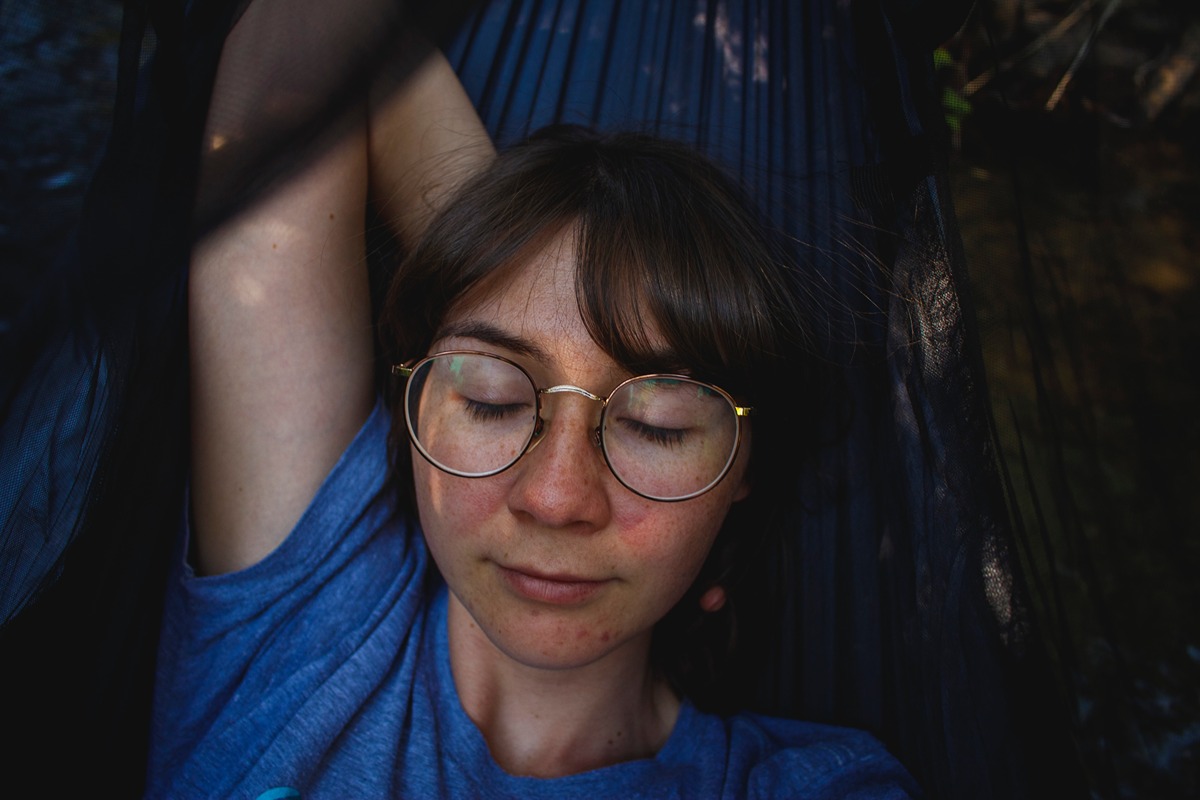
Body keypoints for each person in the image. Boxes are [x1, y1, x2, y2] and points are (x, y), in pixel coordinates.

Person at [146, 12, 919, 797]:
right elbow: (304, 27)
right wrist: (504, 256)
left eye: (656, 423)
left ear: (743, 465)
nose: (554, 499)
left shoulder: (810, 785)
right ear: (423, 403)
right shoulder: (307, 624)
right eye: (489, 399)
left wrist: (527, 281)